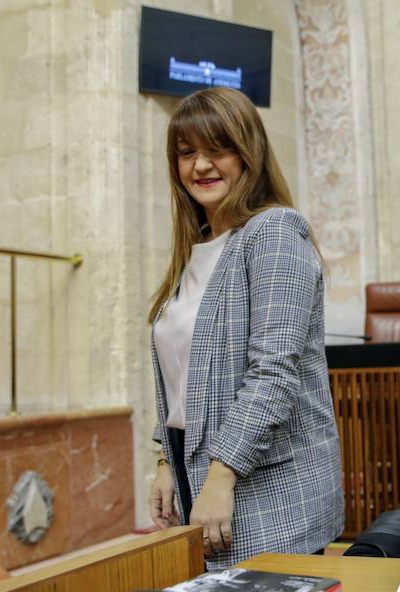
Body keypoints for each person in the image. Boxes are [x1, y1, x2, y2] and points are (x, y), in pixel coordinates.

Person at [147, 87, 343, 569]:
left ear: (248, 153)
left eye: (218, 149)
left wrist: (221, 476)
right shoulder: (194, 249)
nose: (201, 166)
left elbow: (273, 374)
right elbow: (186, 373)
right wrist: (164, 461)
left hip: (267, 491)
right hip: (201, 474)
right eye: (187, 153)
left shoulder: (272, 231)